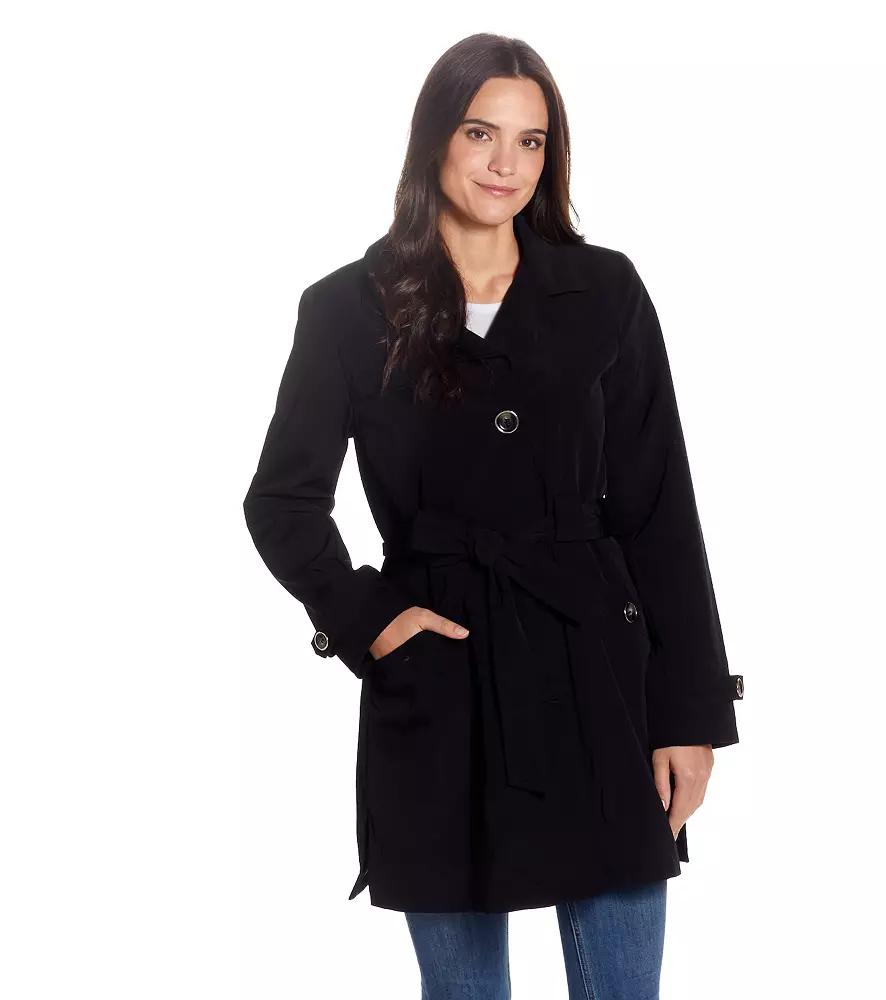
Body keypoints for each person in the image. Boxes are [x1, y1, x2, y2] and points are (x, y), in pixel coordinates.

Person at [243, 32, 743, 1000]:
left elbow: (659, 510)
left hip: (599, 674)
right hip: (441, 680)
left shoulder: (603, 290)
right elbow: (283, 499)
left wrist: (689, 716)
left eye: (531, 140)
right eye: (480, 133)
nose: (505, 163)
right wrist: (372, 619)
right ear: (435, 137)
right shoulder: (347, 306)